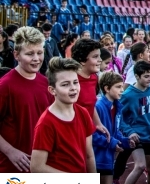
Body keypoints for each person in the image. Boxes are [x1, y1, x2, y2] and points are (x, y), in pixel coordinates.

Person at [0, 27, 54, 172]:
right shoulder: (5, 85)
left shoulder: (45, 83)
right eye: (30, 54)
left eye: (40, 53)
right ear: (16, 55)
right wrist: (11, 151)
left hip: (41, 165)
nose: (36, 59)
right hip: (12, 167)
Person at [30, 57, 96, 173]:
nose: (73, 88)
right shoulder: (46, 123)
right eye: (65, 84)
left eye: (75, 82)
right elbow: (36, 167)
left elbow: (89, 155)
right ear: (52, 90)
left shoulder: (83, 113)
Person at [118, 61, 150, 184]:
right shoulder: (128, 95)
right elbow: (120, 118)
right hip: (136, 136)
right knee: (140, 166)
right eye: (146, 76)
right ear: (137, 77)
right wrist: (130, 131)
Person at [94, 72, 133, 184]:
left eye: (122, 86)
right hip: (95, 156)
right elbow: (92, 135)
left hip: (107, 156)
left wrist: (126, 141)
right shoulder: (98, 107)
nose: (122, 90)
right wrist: (112, 143)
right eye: (118, 87)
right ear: (106, 88)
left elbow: (115, 132)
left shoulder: (116, 106)